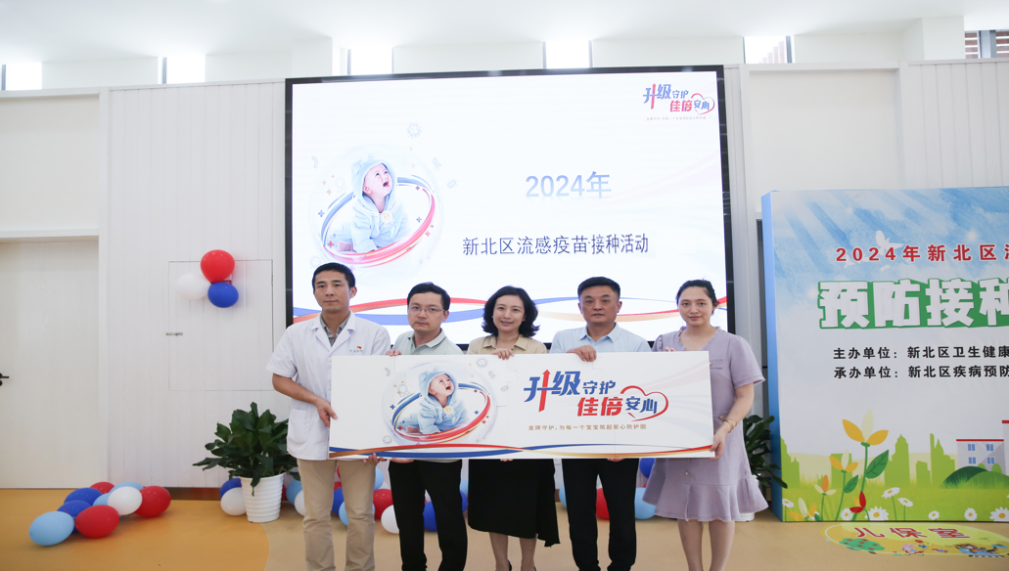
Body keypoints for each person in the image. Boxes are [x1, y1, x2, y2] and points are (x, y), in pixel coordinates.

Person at [267, 263, 391, 571]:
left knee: (360, 513)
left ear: (352, 290)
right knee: (315, 515)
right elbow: (279, 378)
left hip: (358, 435)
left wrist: (378, 438)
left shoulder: (374, 333)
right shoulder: (296, 333)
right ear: (314, 293)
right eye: (321, 285)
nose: (329, 291)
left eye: (337, 284)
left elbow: (381, 386)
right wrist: (316, 400)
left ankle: (360, 568)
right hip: (312, 431)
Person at [642, 279, 768, 571]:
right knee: (686, 507)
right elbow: (651, 389)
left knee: (721, 508)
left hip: (719, 438)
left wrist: (724, 429)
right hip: (679, 438)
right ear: (677, 307)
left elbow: (745, 396)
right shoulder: (664, 342)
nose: (693, 309)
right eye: (686, 303)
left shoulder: (733, 344)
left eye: (701, 303)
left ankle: (717, 569)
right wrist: (665, 369)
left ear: (714, 306)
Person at [549, 277, 650, 571]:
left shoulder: (636, 344)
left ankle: (621, 566)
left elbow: (646, 393)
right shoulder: (563, 339)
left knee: (622, 512)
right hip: (576, 440)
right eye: (589, 301)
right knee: (579, 512)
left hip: (620, 443)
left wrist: (629, 443)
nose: (597, 306)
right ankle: (587, 567)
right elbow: (548, 384)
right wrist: (567, 361)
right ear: (579, 306)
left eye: (605, 300)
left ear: (618, 305)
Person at [466, 286, 559, 571]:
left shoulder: (536, 348)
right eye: (501, 308)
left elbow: (536, 398)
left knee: (526, 507)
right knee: (494, 509)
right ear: (491, 312)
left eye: (515, 310)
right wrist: (491, 364)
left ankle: (527, 563)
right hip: (488, 439)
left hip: (526, 441)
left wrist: (514, 442)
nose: (507, 315)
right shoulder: (476, 346)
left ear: (525, 316)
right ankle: (500, 564)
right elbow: (471, 392)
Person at [386, 282, 467, 571]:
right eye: (416, 307)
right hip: (403, 450)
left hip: (440, 454)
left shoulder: (453, 355)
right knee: (407, 517)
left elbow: (456, 407)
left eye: (431, 309)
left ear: (445, 315)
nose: (422, 314)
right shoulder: (401, 341)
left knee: (448, 518)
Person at [336, 155, 409, 253]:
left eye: (386, 172)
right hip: (370, 242)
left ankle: (353, 246)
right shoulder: (362, 211)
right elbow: (361, 235)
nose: (385, 176)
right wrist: (369, 251)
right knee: (357, 242)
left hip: (387, 243)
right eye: (377, 174)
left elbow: (403, 225)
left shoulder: (396, 204)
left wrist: (403, 241)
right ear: (366, 188)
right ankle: (350, 247)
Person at [399, 371, 467, 434]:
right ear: (432, 391)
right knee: (418, 424)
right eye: (441, 381)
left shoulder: (457, 402)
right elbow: (426, 424)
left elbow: (463, 417)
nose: (447, 382)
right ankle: (416, 429)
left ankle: (419, 429)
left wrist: (461, 427)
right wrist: (435, 434)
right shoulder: (428, 406)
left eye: (448, 379)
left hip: (445, 427)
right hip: (422, 421)